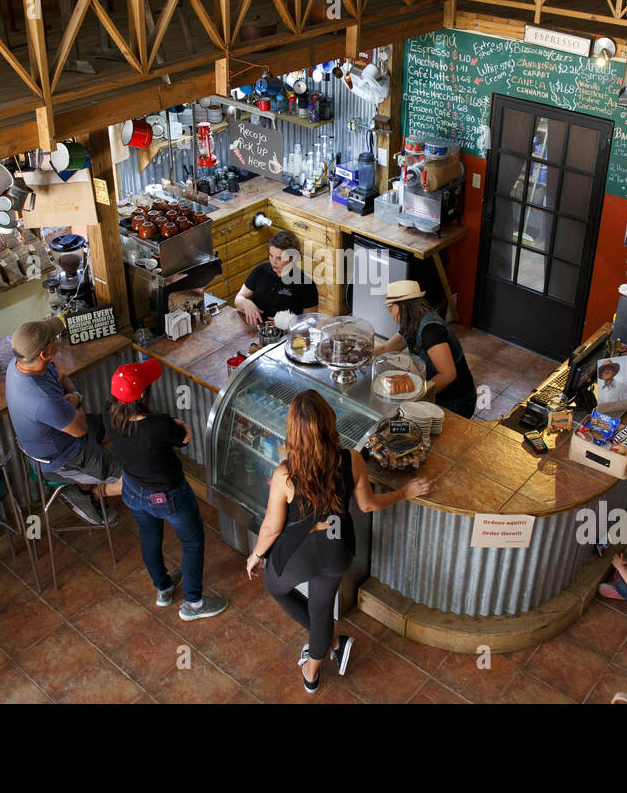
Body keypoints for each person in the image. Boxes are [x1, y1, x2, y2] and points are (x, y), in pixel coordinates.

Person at [245, 390, 432, 693]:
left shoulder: (286, 474)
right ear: (330, 422)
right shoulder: (352, 459)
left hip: (298, 551)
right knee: (321, 611)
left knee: (274, 586)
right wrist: (404, 493)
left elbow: (270, 527)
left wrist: (256, 554)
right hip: (337, 544)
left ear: (292, 431)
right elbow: (368, 505)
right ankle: (313, 669)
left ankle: (329, 643)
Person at [108, 359, 227, 621]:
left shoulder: (111, 415)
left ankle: (163, 588)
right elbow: (183, 439)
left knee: (150, 536)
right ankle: (194, 604)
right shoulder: (159, 425)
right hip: (167, 495)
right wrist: (179, 426)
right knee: (193, 542)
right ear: (144, 394)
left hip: (133, 490)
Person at [5, 316, 119, 526]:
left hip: (63, 437)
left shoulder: (20, 364)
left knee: (117, 428)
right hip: (64, 457)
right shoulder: (42, 400)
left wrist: (73, 397)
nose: (58, 339)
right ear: (45, 353)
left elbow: (62, 377)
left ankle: (85, 486)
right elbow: (80, 428)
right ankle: (92, 494)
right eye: (54, 338)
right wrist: (76, 398)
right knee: (131, 476)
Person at [373, 280, 477, 418]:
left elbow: (448, 374)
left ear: (403, 305)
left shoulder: (430, 331)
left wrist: (416, 397)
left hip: (456, 400)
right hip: (438, 393)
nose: (389, 312)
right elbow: (385, 348)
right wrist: (362, 356)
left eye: (390, 307)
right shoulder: (411, 323)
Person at [235, 231, 319, 326]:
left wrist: (287, 323)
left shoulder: (306, 285)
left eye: (279, 258)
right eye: (271, 256)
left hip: (286, 335)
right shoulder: (260, 270)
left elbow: (311, 322)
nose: (273, 262)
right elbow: (238, 299)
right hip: (255, 329)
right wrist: (246, 303)